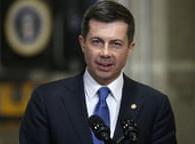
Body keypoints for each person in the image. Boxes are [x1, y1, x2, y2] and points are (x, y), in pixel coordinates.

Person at [19, 0, 177, 144]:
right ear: (82, 44)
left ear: (130, 48)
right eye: (97, 42)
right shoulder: (46, 100)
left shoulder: (154, 105)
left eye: (115, 44)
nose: (105, 53)